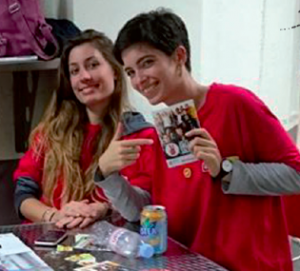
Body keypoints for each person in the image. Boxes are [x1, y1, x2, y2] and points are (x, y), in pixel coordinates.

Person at [112, 8, 300, 271]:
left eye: (147, 63)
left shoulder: (236, 103)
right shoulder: (161, 129)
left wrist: (225, 170)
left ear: (179, 56)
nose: (139, 80)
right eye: (130, 72)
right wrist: (107, 175)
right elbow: (151, 210)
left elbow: (296, 175)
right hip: (191, 265)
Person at [13, 30, 156, 229]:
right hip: (50, 244)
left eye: (93, 65)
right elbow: (23, 196)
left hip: (113, 250)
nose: (85, 77)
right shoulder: (48, 133)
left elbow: (143, 209)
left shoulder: (141, 137)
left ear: (115, 70)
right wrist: (55, 216)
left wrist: (104, 209)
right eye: (74, 71)